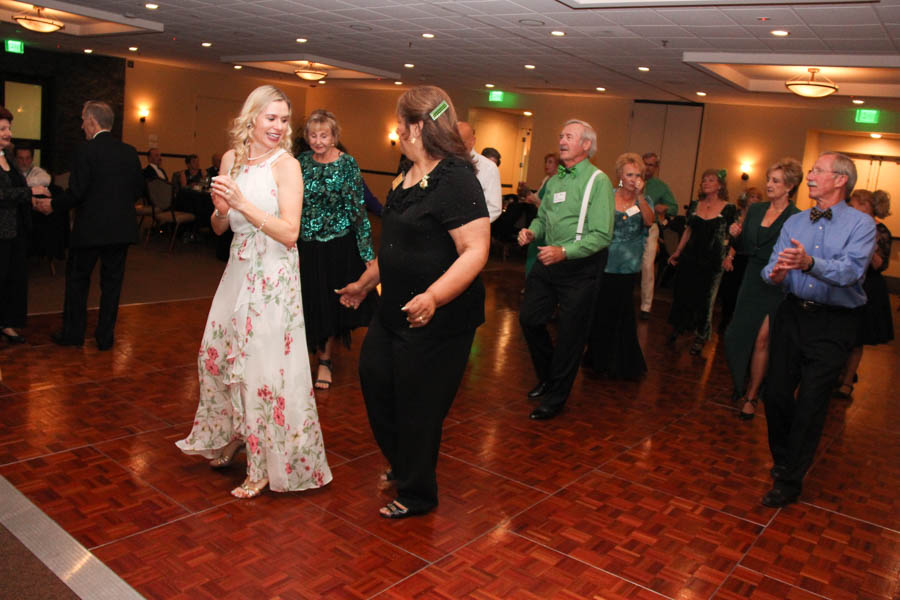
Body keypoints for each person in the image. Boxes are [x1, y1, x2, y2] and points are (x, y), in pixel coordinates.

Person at [337, 85, 489, 518]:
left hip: (440, 317)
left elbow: (475, 251)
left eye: (399, 121)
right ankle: (405, 463)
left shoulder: (456, 179)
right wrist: (366, 283)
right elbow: (397, 246)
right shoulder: (406, 173)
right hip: (396, 309)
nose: (396, 129)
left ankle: (419, 492)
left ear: (416, 126)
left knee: (418, 405)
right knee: (374, 377)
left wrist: (434, 296)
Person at [176, 85, 331, 499]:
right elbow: (219, 228)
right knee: (217, 356)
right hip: (238, 269)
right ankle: (235, 435)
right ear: (252, 117)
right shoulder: (232, 159)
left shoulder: (288, 167)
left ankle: (265, 464)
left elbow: (290, 232)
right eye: (271, 119)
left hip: (274, 277)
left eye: (284, 120)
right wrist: (221, 211)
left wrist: (242, 204)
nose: (279, 127)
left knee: (262, 369)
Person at [760, 151, 875, 508]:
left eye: (818, 171)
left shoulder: (861, 224)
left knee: (811, 401)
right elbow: (771, 267)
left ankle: (791, 478)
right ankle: (784, 458)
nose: (809, 176)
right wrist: (776, 273)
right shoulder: (795, 223)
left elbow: (851, 272)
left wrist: (809, 263)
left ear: (840, 179)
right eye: (810, 170)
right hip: (792, 315)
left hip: (833, 322)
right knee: (776, 393)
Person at [518, 119, 615, 420]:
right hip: (550, 259)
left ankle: (556, 397)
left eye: (569, 136)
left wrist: (565, 252)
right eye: (561, 135)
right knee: (529, 318)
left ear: (586, 145)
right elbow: (543, 217)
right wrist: (532, 232)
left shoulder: (598, 181)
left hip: (580, 265)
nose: (562, 140)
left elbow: (601, 235)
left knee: (571, 335)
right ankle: (549, 376)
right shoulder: (556, 180)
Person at [33, 101, 143, 350]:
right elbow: (138, 189)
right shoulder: (129, 151)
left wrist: (53, 205)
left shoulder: (86, 151)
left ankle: (73, 334)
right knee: (112, 286)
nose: (81, 125)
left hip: (90, 230)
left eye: (83, 120)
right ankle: (105, 338)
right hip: (120, 230)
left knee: (77, 282)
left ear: (92, 122)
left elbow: (77, 193)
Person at [298, 109, 377, 390]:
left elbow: (358, 210)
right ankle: (304, 357)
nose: (318, 141)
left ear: (334, 137)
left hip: (338, 245)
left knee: (329, 304)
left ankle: (325, 361)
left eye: (324, 135)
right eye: (313, 135)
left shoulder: (347, 164)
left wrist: (367, 253)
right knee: (308, 302)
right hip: (306, 245)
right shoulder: (301, 163)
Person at [723, 160, 802, 420]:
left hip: (777, 283)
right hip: (751, 279)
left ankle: (752, 396)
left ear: (789, 186)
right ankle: (740, 383)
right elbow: (746, 244)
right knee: (736, 334)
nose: (769, 184)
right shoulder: (755, 210)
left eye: (776, 181)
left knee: (762, 340)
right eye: (769, 179)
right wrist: (736, 233)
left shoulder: (796, 217)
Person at [583, 153, 653, 379]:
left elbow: (649, 221)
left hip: (628, 263)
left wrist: (640, 197)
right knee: (601, 310)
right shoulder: (608, 195)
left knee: (622, 311)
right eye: (629, 174)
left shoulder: (644, 200)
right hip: (604, 259)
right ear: (620, 176)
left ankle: (622, 362)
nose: (634, 179)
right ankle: (598, 358)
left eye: (638, 175)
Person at [666, 168, 737, 355]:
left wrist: (729, 256)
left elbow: (734, 236)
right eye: (704, 180)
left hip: (713, 260)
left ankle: (701, 335)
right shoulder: (695, 205)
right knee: (683, 293)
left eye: (711, 180)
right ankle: (678, 327)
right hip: (690, 257)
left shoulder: (729, 209)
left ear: (720, 186)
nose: (705, 183)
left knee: (705, 299)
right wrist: (678, 252)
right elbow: (688, 231)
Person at [834, 189, 893, 399]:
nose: (850, 208)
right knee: (841, 333)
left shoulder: (880, 230)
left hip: (869, 287)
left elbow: (880, 265)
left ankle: (847, 383)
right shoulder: (849, 226)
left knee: (858, 337)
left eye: (855, 204)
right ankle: (836, 374)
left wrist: (870, 246)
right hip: (846, 283)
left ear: (867, 206)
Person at [0, 108, 49, 344]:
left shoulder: (8, 156)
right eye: (3, 129)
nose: (9, 133)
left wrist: (34, 199)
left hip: (16, 228)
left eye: (9, 128)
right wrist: (30, 192)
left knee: (13, 278)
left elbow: (17, 189)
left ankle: (7, 323)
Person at [719, 186, 764, 333]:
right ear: (745, 199)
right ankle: (725, 321)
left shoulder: (761, 217)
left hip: (748, 258)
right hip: (733, 256)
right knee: (729, 291)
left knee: (743, 294)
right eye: (752, 197)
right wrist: (729, 256)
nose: (755, 200)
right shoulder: (735, 214)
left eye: (758, 197)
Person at [639, 152, 677, 319]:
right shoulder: (628, 178)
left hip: (650, 227)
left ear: (656, 168)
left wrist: (665, 208)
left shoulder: (661, 186)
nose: (647, 167)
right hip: (628, 226)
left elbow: (674, 207)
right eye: (645, 163)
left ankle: (646, 306)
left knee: (647, 266)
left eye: (651, 165)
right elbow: (617, 190)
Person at [518, 152, 559, 277]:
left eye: (550, 162)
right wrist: (526, 191)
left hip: (548, 223)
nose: (547, 165)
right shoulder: (546, 179)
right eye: (546, 162)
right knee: (532, 251)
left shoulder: (558, 182)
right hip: (539, 220)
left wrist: (534, 199)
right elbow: (536, 198)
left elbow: (551, 207)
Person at [457, 121, 502, 223]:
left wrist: (469, 226)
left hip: (473, 230)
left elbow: (494, 208)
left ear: (472, 141)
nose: (456, 147)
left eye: (461, 142)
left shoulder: (488, 167)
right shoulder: (444, 163)